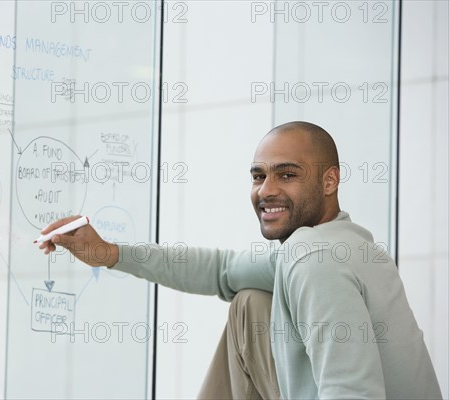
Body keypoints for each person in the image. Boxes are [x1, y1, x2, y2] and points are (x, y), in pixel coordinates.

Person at [38, 121, 442, 399]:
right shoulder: (342, 243)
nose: (266, 190)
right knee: (250, 302)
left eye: (287, 175)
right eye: (258, 175)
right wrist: (110, 254)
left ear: (329, 181)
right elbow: (221, 270)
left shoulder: (316, 260)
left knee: (250, 304)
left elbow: (353, 393)